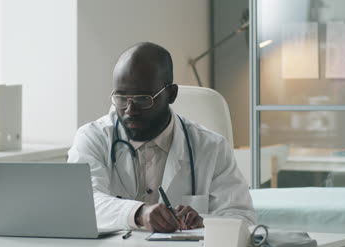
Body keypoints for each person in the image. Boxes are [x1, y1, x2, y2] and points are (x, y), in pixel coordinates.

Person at [68, 42, 255, 233]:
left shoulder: (212, 147)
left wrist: (203, 222)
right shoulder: (92, 137)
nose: (129, 110)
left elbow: (243, 219)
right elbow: (80, 203)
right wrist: (139, 213)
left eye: (143, 99)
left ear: (171, 94)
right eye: (122, 98)